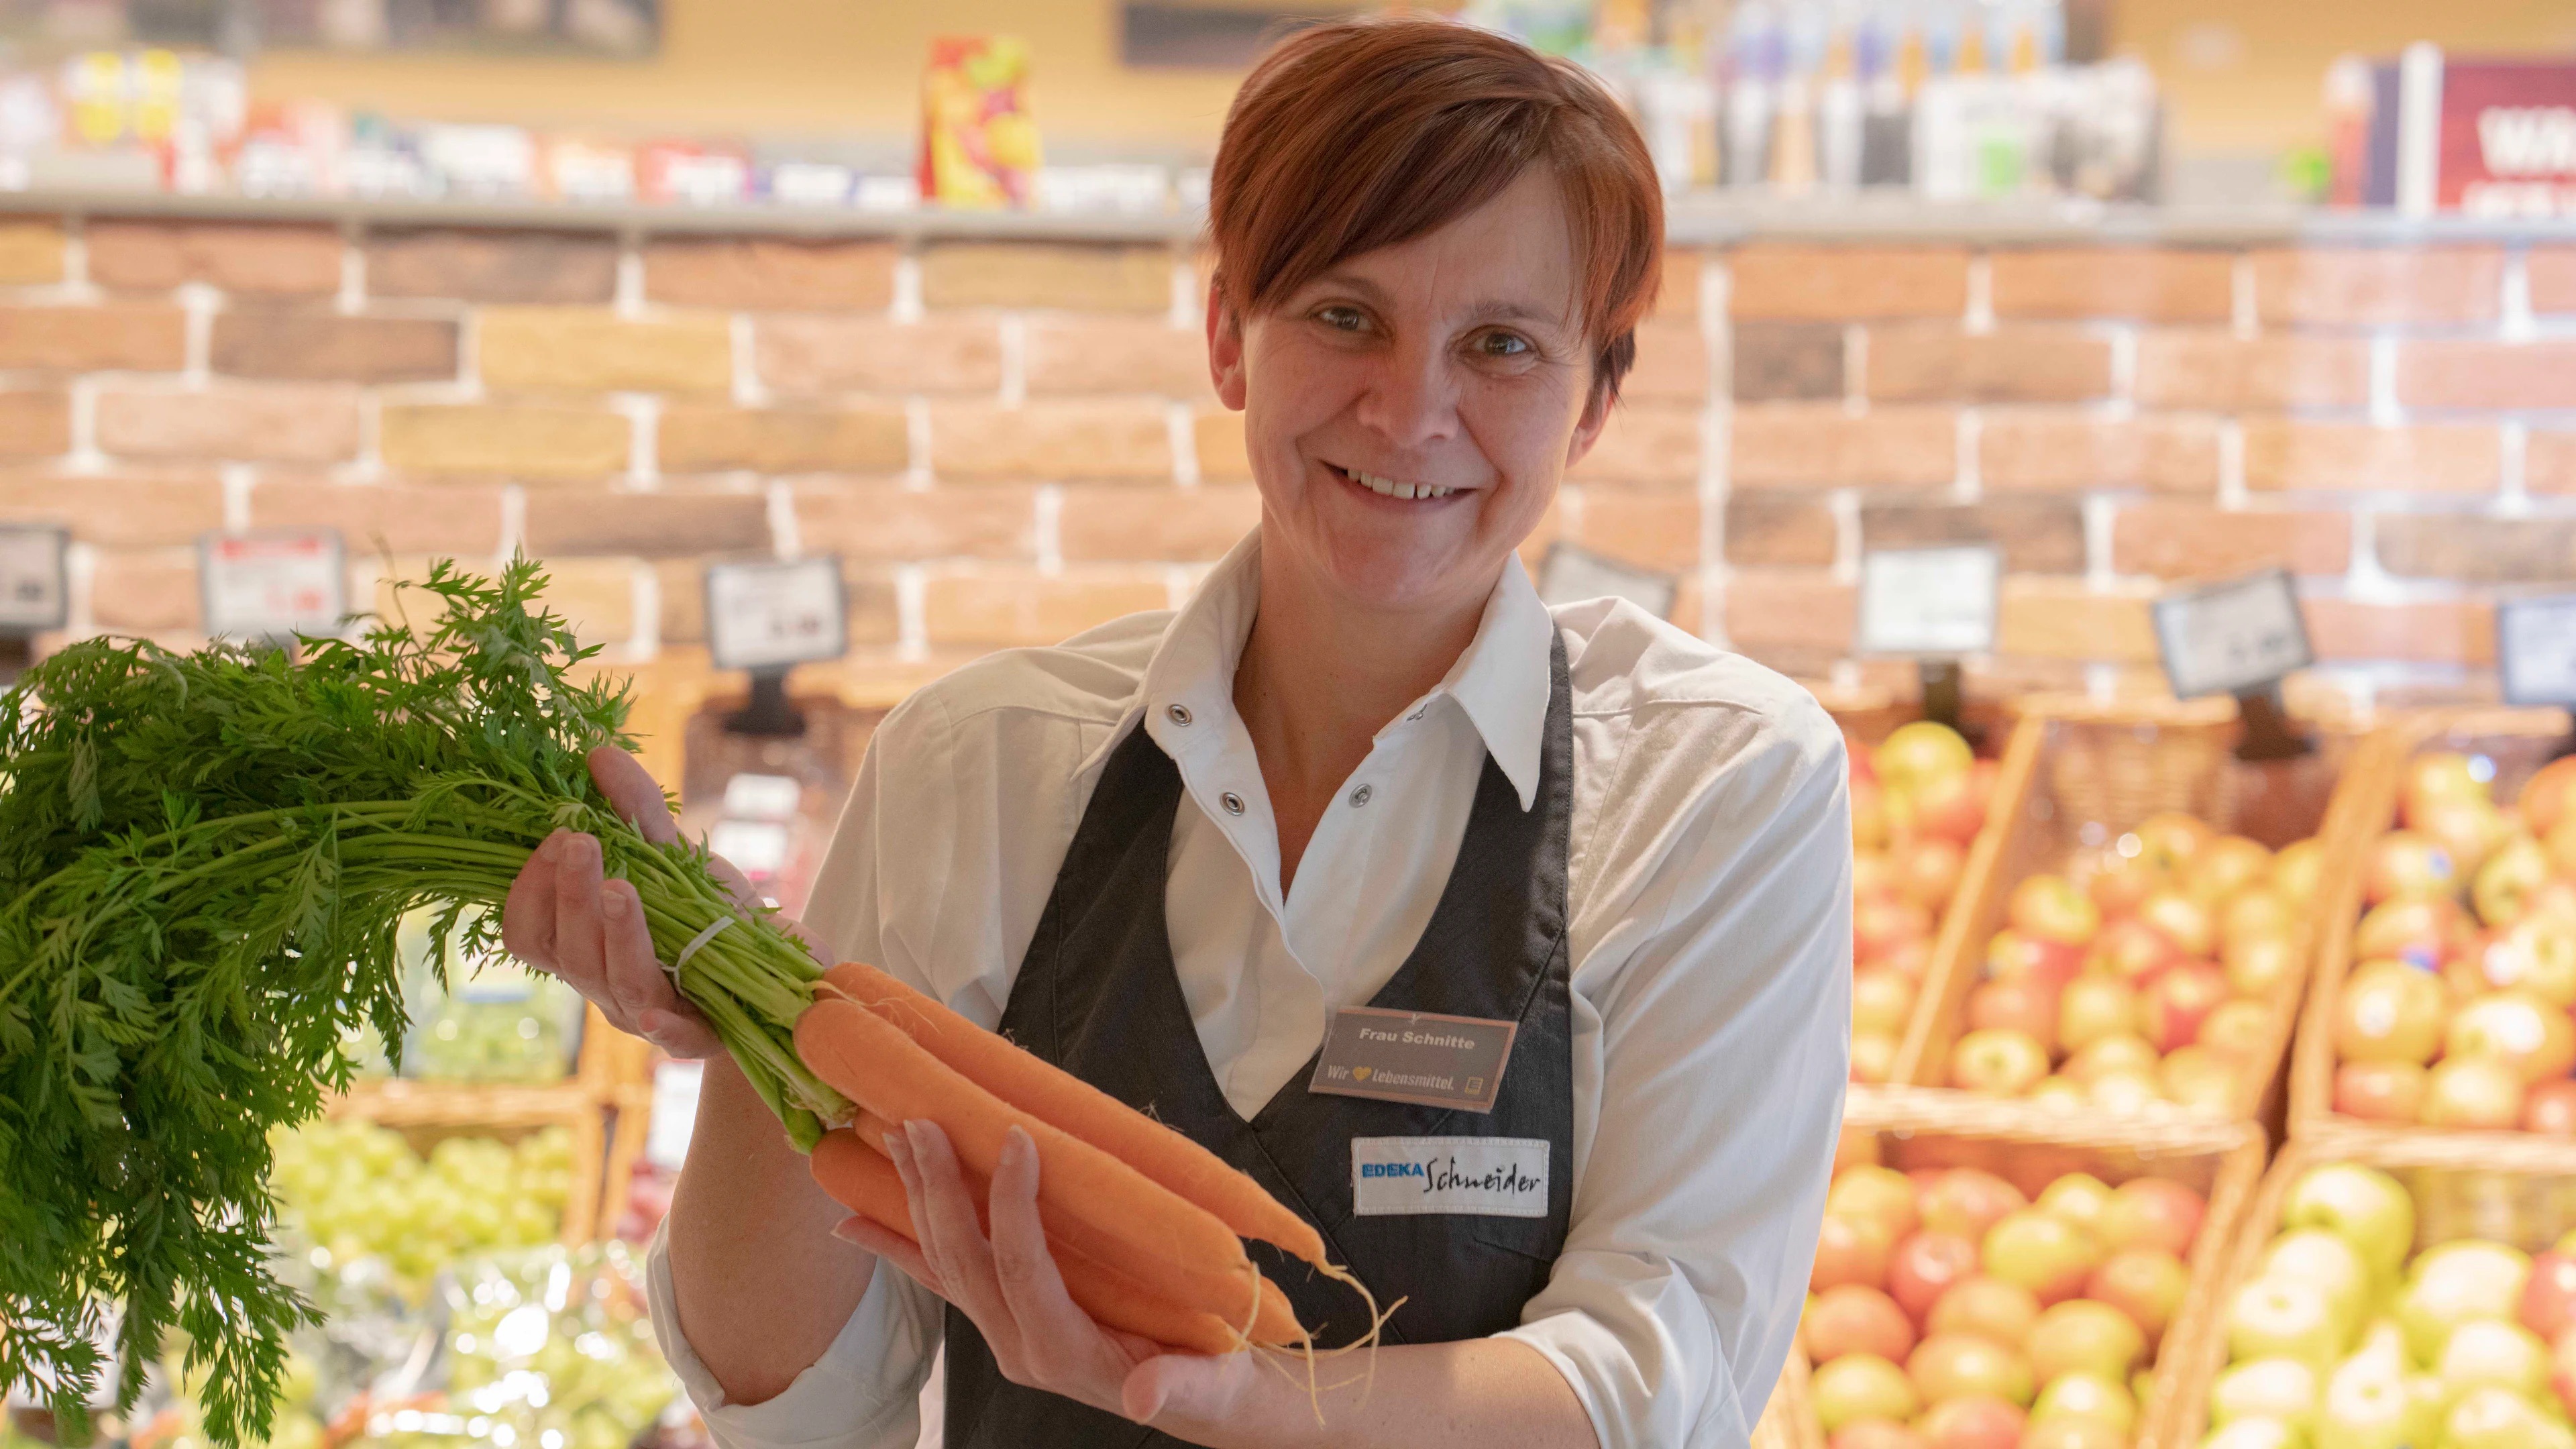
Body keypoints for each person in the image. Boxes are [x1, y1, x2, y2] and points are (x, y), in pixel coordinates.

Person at [502, 15, 1850, 1448]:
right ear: (1227, 338)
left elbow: (1665, 1372)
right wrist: (744, 1014)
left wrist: (1254, 1403)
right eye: (1346, 317)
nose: (1411, 412)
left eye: (1502, 345)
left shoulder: (1720, 786)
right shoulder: (980, 766)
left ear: (1594, 404)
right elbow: (793, 1402)